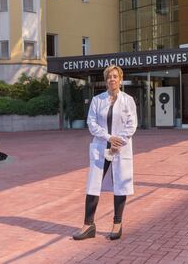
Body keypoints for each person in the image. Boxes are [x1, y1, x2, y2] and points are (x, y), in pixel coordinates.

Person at [73, 65, 137, 241]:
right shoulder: (97, 100)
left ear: (120, 79)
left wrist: (119, 142)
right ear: (106, 80)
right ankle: (88, 225)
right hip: (102, 147)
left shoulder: (128, 100)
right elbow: (91, 123)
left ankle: (117, 223)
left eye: (115, 76)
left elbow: (132, 125)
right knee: (93, 185)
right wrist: (109, 138)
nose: (112, 79)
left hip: (120, 149)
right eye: (109, 76)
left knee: (120, 184)